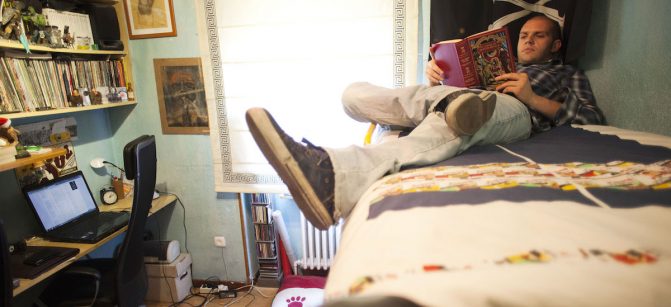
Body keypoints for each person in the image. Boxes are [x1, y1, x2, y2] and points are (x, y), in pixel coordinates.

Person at [245, 15, 605, 230]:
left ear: (555, 45)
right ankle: (451, 103)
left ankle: (334, 171)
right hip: (462, 100)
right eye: (523, 35)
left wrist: (531, 98)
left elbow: (592, 119)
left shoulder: (566, 74)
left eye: (537, 36)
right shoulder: (501, 65)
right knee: (352, 95)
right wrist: (438, 77)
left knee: (474, 107)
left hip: (514, 113)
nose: (527, 41)